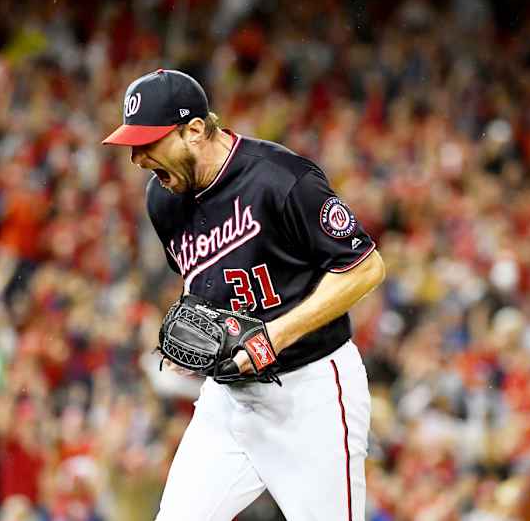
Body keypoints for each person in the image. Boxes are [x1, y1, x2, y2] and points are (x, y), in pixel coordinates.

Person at [103, 69, 385, 521]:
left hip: (311, 394)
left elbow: (365, 268)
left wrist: (275, 335)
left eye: (148, 143)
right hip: (229, 399)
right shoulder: (163, 200)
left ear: (194, 131)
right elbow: (206, 283)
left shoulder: (282, 179)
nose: (137, 158)